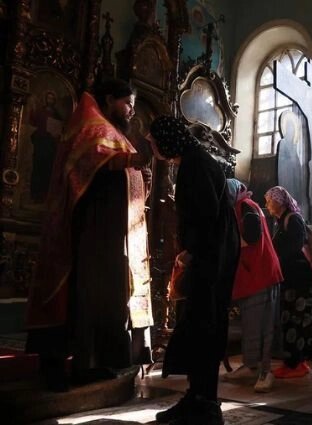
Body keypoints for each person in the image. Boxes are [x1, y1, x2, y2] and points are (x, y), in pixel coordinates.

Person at [25, 79, 153, 392]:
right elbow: (87, 161)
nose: (131, 110)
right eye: (127, 103)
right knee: (80, 295)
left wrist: (139, 173)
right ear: (109, 99)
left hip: (107, 236)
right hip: (86, 233)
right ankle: (69, 365)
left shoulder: (112, 130)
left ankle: (94, 361)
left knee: (99, 296)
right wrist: (129, 162)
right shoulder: (90, 123)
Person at [148, 116, 240, 425]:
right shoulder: (195, 160)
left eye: (153, 141)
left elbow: (205, 215)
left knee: (204, 326)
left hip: (210, 259)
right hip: (213, 254)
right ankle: (197, 397)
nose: (151, 146)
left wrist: (190, 251)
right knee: (200, 326)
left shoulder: (195, 164)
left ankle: (205, 405)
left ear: (167, 139)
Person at [223, 179, 283, 392]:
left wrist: (227, 242)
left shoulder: (247, 206)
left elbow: (252, 236)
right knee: (250, 326)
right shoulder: (240, 206)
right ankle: (250, 366)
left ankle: (266, 372)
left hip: (261, 274)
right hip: (251, 275)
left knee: (264, 326)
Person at [265, 186, 312, 379]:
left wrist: (276, 261)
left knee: (297, 320)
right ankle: (292, 361)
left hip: (298, 279)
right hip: (290, 278)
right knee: (289, 320)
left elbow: (294, 247)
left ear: (279, 201)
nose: (268, 204)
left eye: (270, 200)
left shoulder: (293, 219)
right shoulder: (281, 221)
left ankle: (297, 363)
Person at [28, 90, 64, 202]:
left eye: (52, 98)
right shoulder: (40, 111)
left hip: (51, 144)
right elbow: (33, 122)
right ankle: (35, 194)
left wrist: (57, 134)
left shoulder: (57, 115)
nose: (50, 100)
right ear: (46, 99)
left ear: (54, 100)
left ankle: (44, 195)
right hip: (40, 142)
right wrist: (32, 109)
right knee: (37, 167)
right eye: (48, 98)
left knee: (47, 169)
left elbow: (60, 129)